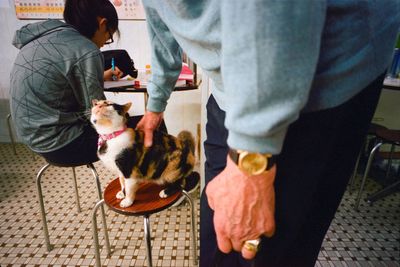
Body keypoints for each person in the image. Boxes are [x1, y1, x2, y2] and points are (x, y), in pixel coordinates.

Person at [136, 1, 400, 267]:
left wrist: (251, 159)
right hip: (229, 87)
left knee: (266, 250)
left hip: (320, 76)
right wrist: (156, 102)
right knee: (221, 240)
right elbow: (160, 12)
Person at [10, 0, 128, 165]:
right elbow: (98, 116)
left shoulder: (43, 37)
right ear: (102, 23)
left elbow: (58, 82)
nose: (103, 44)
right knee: (149, 127)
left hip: (32, 138)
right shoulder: (86, 50)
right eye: (108, 37)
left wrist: (100, 76)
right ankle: (145, 187)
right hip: (63, 145)